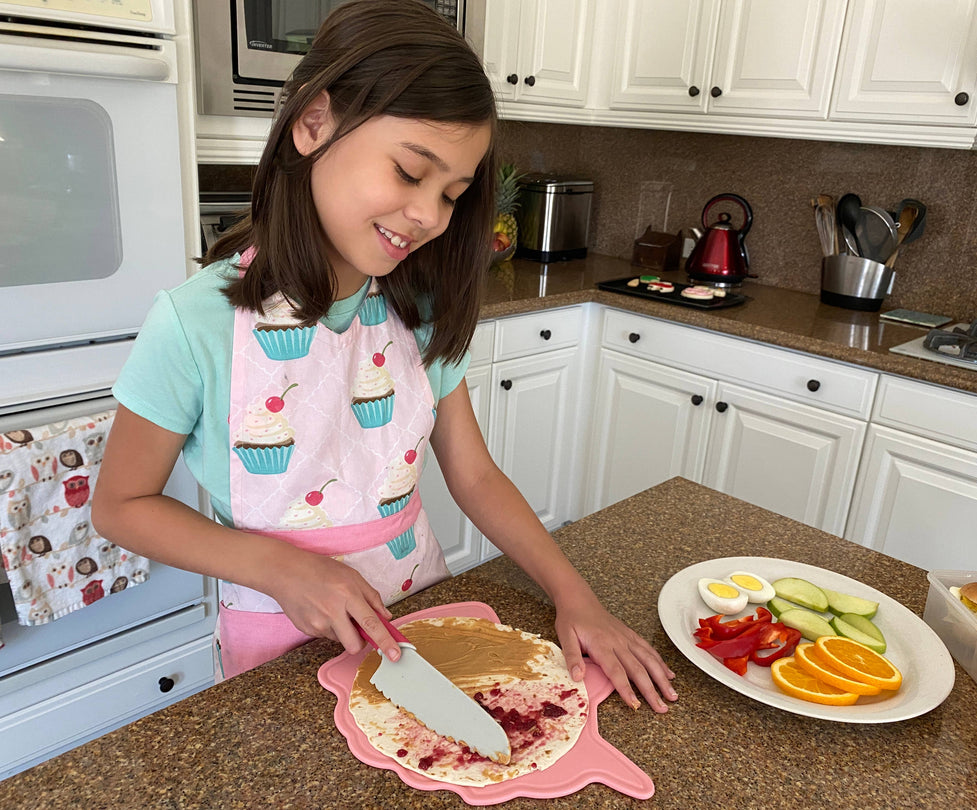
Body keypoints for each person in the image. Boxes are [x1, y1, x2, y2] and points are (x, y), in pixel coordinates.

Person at [92, 0, 676, 712]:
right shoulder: (193, 324)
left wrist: (574, 596)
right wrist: (279, 566)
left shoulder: (417, 309)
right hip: (277, 646)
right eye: (408, 172)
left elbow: (477, 476)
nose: (430, 214)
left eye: (451, 194)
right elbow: (121, 506)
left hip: (417, 619)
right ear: (314, 123)